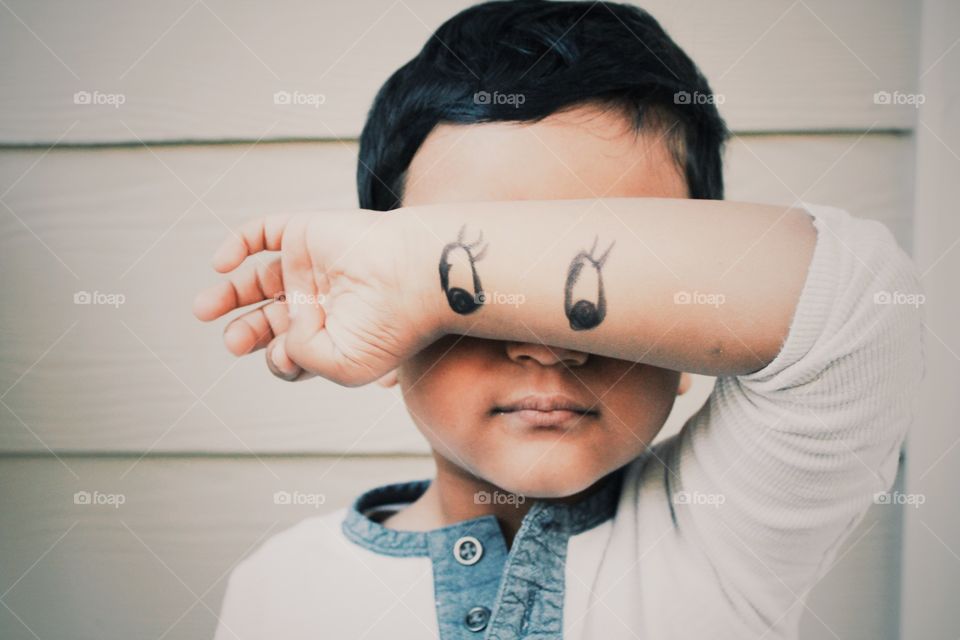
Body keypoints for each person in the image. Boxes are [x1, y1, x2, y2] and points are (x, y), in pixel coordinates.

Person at [193, 2, 925, 638]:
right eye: (456, 288)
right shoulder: (280, 589)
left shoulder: (728, 534)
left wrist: (427, 270)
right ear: (384, 318)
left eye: (601, 265)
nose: (546, 344)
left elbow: (857, 297)